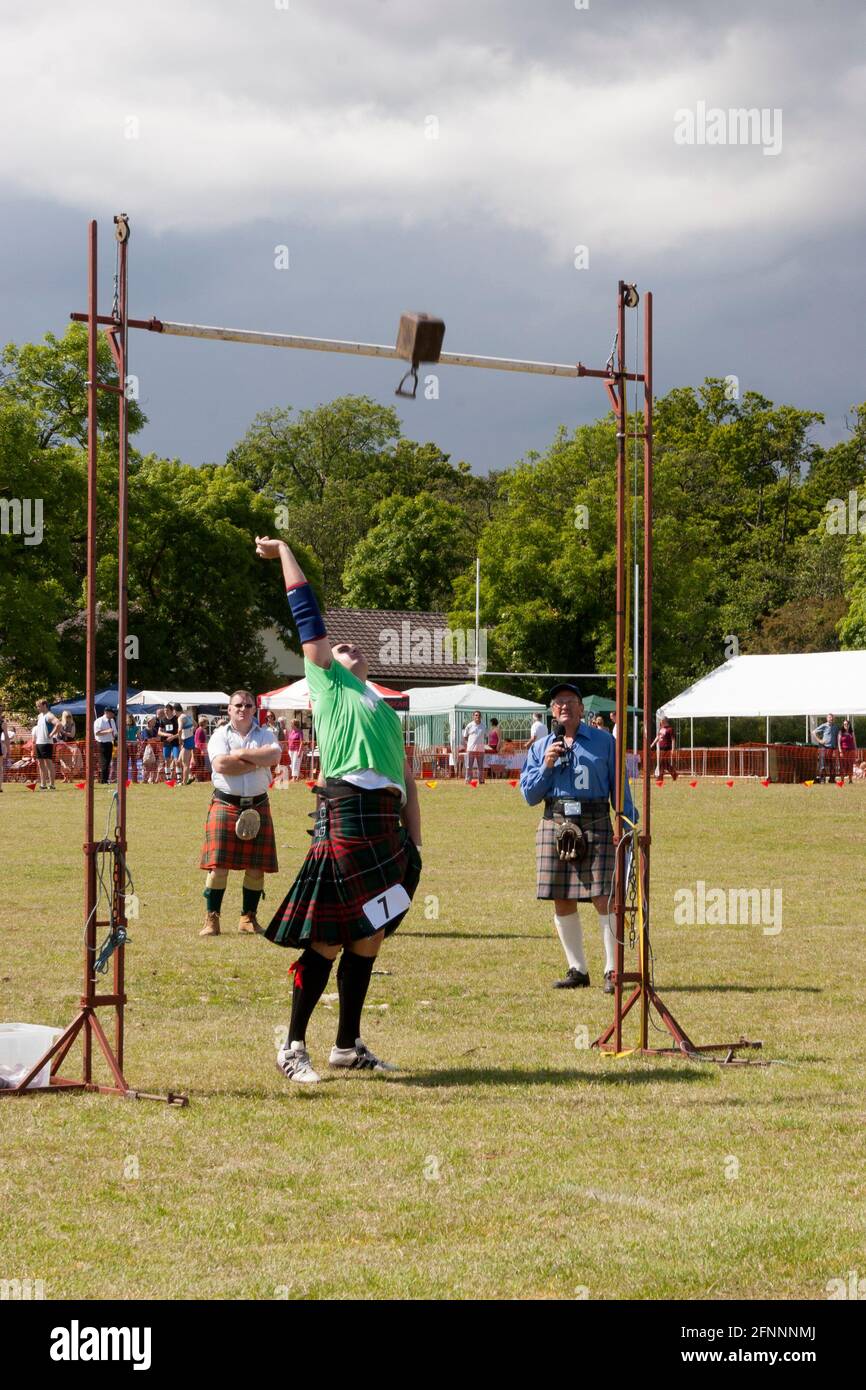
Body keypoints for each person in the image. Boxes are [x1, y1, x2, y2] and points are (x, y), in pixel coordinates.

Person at [255, 534, 422, 1085]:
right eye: (337, 648)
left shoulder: (386, 711)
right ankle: (293, 1044)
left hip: (386, 824)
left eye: (354, 649)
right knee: (328, 936)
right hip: (346, 812)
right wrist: (283, 551)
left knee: (369, 933)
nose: (345, 649)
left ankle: (347, 1045)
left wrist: (415, 845)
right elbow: (304, 609)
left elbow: (408, 785)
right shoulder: (326, 684)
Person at [520, 682, 637, 994]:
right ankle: (578, 969)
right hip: (555, 821)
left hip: (596, 820)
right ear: (551, 710)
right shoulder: (539, 747)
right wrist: (547, 765)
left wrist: (628, 826)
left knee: (604, 897)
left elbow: (620, 788)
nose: (565, 707)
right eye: (558, 702)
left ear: (582, 709)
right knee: (561, 897)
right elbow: (530, 795)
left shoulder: (604, 743)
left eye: (571, 701)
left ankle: (612, 971)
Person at [199, 690, 282, 937]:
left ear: (254, 709)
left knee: (256, 867)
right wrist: (259, 760)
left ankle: (248, 918)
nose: (242, 709)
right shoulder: (219, 735)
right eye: (238, 705)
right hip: (226, 804)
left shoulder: (267, 734)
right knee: (219, 866)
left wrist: (240, 755)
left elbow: (275, 755)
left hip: (258, 804)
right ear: (229, 709)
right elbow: (221, 765)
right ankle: (212, 920)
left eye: (248, 705)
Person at [33, 699, 60, 790]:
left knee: (48, 763)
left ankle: (52, 784)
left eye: (39, 706)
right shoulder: (39, 716)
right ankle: (43, 784)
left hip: (47, 743)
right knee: (40, 764)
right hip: (39, 742)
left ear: (44, 705)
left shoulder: (49, 715)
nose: (37, 708)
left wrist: (52, 734)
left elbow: (58, 724)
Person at [53, 710, 81, 782]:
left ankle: (71, 778)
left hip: (71, 744)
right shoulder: (59, 723)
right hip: (62, 744)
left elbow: (72, 735)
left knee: (73, 760)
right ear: (63, 717)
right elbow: (56, 735)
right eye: (66, 716)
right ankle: (65, 778)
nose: (68, 718)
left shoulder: (72, 724)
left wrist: (63, 732)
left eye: (69, 716)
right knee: (63, 761)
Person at [93, 706, 118, 784]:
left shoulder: (112, 721)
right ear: (107, 713)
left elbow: (115, 732)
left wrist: (115, 739)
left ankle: (105, 779)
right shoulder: (99, 721)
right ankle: (103, 780)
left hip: (110, 742)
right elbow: (97, 733)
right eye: (112, 713)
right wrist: (107, 731)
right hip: (102, 743)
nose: (113, 715)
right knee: (104, 762)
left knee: (108, 762)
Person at [462, 710, 488, 785]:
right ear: (473, 716)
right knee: (469, 766)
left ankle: (481, 781)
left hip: (481, 750)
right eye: (476, 715)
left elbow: (486, 736)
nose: (477, 717)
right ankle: (468, 781)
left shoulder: (484, 726)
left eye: (479, 715)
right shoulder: (469, 725)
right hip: (471, 749)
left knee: (481, 767)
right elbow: (465, 737)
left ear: (481, 716)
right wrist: (470, 744)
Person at [650, 716, 678, 782]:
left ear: (664, 721)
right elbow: (658, 737)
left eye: (661, 720)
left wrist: (673, 749)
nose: (660, 722)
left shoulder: (670, 729)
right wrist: (652, 744)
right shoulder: (661, 728)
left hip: (667, 748)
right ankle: (674, 774)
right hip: (661, 748)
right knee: (665, 763)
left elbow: (673, 739)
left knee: (661, 763)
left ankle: (660, 778)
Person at [815, 714, 840, 784]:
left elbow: (839, 736)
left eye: (832, 717)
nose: (831, 719)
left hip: (833, 748)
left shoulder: (836, 727)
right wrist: (820, 740)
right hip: (824, 748)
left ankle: (832, 779)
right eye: (829, 717)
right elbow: (814, 732)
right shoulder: (824, 725)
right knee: (822, 764)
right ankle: (822, 779)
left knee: (832, 765)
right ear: (827, 718)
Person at [159, 703, 180, 782]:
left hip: (175, 743)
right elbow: (159, 732)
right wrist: (167, 734)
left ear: (172, 711)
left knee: (176, 760)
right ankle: (168, 780)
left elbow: (180, 732)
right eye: (164, 710)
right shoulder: (163, 720)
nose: (165, 712)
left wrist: (173, 736)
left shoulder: (177, 719)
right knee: (166, 760)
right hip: (166, 743)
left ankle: (179, 779)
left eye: (167, 710)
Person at [177, 705, 196, 785]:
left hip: (187, 741)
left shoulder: (180, 718)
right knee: (178, 761)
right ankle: (190, 776)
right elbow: (196, 724)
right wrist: (191, 731)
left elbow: (180, 729)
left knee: (185, 763)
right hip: (189, 739)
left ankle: (184, 782)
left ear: (175, 711)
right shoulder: (188, 716)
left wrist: (180, 740)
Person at [838, 719, 856, 784]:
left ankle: (850, 780)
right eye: (845, 724)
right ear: (843, 725)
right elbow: (839, 742)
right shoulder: (841, 732)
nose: (846, 725)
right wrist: (840, 751)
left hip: (851, 750)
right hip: (843, 751)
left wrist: (855, 750)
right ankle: (842, 780)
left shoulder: (851, 732)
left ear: (849, 725)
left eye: (847, 724)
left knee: (850, 765)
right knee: (843, 765)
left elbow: (854, 741)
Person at [287, 717, 304, 781]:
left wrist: (299, 751)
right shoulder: (291, 731)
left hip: (297, 750)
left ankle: (294, 778)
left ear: (295, 724)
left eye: (292, 723)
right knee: (291, 764)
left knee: (295, 763)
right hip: (290, 749)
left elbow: (302, 741)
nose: (291, 725)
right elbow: (288, 740)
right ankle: (299, 775)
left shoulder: (300, 731)